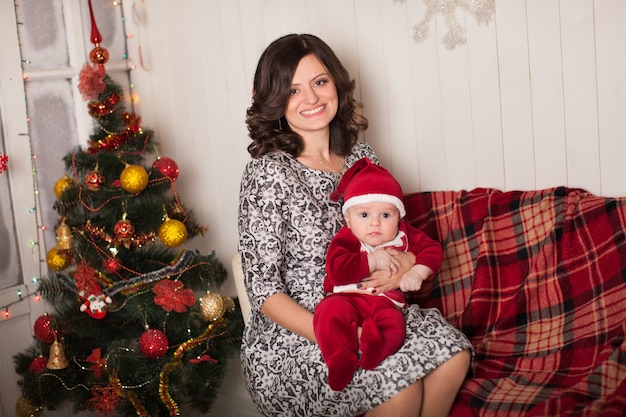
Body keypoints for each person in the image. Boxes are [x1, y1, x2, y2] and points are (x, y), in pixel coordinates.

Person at [238, 33, 473, 417]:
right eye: (293, 90)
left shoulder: (361, 157)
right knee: (400, 389)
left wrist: (404, 264)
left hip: (372, 305)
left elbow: (395, 234)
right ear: (274, 99)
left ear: (336, 82)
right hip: (301, 333)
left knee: (453, 357)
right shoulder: (268, 172)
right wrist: (342, 334)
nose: (311, 99)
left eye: (319, 82)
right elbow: (263, 290)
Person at [313, 157, 444, 391]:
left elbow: (432, 249)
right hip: (346, 298)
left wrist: (417, 271)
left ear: (399, 216)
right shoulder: (346, 238)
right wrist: (373, 260)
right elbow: (337, 270)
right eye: (364, 215)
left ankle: (377, 349)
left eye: (385, 215)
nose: (375, 224)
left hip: (386, 303)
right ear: (348, 219)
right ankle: (340, 358)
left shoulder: (404, 234)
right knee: (327, 314)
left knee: (394, 326)